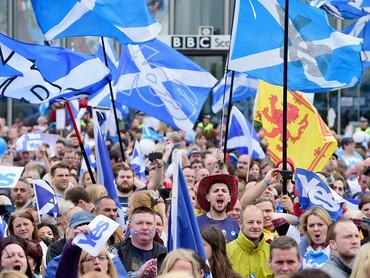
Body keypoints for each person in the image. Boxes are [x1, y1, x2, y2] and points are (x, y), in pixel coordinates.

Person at [113, 206, 167, 277]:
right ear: (130, 227)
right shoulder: (116, 251)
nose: (145, 227)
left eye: (149, 223)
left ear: (155, 227)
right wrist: (136, 275)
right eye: (139, 223)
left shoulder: (165, 253)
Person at [227, 205, 273, 277]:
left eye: (259, 222)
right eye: (250, 222)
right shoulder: (227, 251)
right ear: (240, 224)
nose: (255, 226)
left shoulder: (272, 252)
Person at [196, 174, 239, 242]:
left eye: (224, 191)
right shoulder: (196, 222)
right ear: (208, 197)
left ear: (229, 198)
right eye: (216, 191)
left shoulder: (235, 223)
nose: (220, 193)